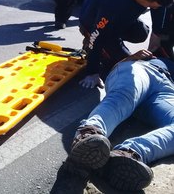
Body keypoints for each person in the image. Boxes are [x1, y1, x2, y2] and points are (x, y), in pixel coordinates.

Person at [67, 50, 174, 192]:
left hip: (166, 90)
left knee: (126, 100)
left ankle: (129, 154)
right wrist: (129, 59)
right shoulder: (158, 54)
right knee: (123, 97)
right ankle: (88, 133)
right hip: (143, 69)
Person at [79, 0, 174, 88]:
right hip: (91, 22)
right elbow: (96, 36)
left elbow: (161, 7)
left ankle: (112, 41)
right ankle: (95, 48)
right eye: (153, 6)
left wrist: (157, 33)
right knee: (120, 63)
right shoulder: (112, 1)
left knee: (141, 32)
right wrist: (92, 72)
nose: (155, 8)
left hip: (119, 15)